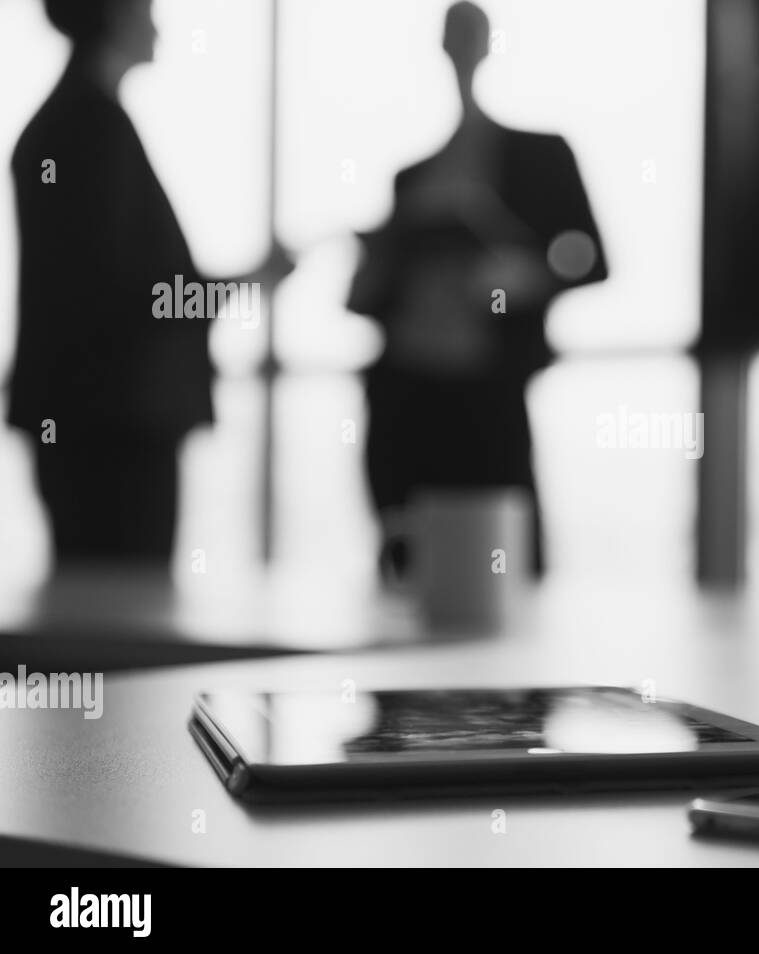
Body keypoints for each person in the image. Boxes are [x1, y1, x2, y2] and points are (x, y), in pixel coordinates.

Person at [7, 0, 291, 567]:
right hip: (117, 428)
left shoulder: (67, 125)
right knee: (120, 608)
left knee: (96, 606)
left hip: (93, 421)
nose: (158, 24)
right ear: (115, 16)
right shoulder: (92, 129)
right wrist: (250, 283)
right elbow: (129, 299)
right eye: (147, 9)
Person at [352, 1, 607, 576]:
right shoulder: (413, 176)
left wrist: (522, 274)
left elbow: (587, 257)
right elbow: (378, 292)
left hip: (488, 389)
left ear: (489, 44)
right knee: (410, 563)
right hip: (410, 389)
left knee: (507, 559)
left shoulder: (542, 154)